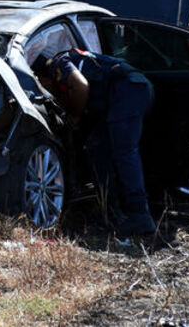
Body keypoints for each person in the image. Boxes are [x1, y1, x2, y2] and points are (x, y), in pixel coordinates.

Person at [32, 49, 156, 236]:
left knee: (124, 152)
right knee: (97, 148)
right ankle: (111, 208)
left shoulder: (58, 62)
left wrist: (75, 116)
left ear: (43, 77)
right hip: (129, 91)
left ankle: (140, 215)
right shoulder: (67, 67)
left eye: (41, 85)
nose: (45, 91)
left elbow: (81, 86)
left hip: (128, 91)